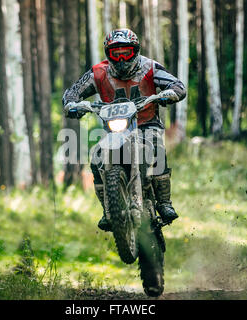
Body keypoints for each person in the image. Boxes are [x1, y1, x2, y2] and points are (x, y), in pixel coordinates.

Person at [62, 28, 186, 232]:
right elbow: (73, 92)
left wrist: (169, 93)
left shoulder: (150, 67)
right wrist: (71, 105)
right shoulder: (98, 73)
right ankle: (108, 210)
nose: (120, 59)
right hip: (115, 129)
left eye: (125, 53)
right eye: (115, 53)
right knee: (97, 157)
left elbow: (177, 85)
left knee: (156, 148)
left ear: (135, 51)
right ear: (107, 54)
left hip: (147, 123)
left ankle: (164, 202)